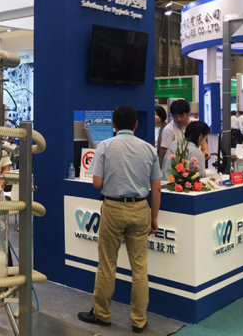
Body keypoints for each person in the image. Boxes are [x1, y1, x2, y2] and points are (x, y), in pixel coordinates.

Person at [78, 105, 161, 333]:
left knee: (107, 265)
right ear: (136, 124)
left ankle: (102, 314)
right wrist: (154, 217)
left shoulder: (105, 146)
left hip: (113, 208)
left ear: (113, 124)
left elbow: (97, 183)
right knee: (140, 268)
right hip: (140, 208)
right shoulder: (149, 149)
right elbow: (156, 188)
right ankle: (139, 320)